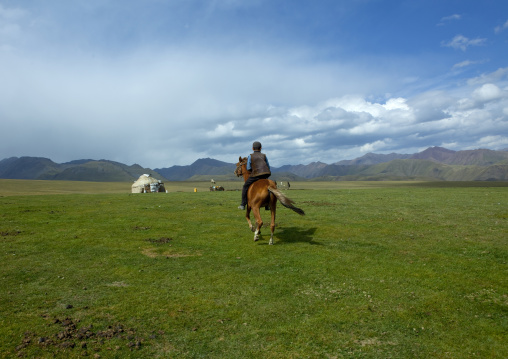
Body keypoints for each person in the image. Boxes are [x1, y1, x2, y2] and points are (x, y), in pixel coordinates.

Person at [238, 141, 271, 210]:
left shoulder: (250, 156)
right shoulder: (264, 156)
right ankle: (267, 205)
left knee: (245, 187)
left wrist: (253, 171)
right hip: (265, 175)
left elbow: (248, 168)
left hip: (256, 175)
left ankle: (243, 204)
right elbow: (268, 166)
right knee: (269, 188)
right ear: (261, 148)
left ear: (252, 148)